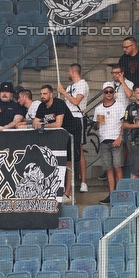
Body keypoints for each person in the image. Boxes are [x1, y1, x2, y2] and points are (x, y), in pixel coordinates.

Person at [33, 85, 74, 202]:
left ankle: (68, 193)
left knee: (68, 163)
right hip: (52, 137)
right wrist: (39, 125)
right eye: (41, 94)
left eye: (45, 94)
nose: (42, 96)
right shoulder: (41, 106)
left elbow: (58, 124)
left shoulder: (59, 103)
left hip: (68, 134)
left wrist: (42, 126)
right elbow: (35, 123)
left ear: (51, 94)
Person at [57, 64, 90, 194]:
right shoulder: (70, 86)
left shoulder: (82, 84)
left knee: (79, 149)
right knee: (68, 151)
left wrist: (63, 92)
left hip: (77, 117)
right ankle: (67, 185)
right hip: (68, 118)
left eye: (68, 71)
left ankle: (83, 182)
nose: (68, 73)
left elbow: (76, 101)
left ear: (72, 71)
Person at [93, 82, 126, 202]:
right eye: (106, 92)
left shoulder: (119, 106)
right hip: (103, 140)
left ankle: (121, 194)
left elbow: (124, 124)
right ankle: (112, 195)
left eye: (111, 91)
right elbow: (96, 127)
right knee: (108, 169)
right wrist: (97, 121)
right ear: (103, 93)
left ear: (114, 92)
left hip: (115, 139)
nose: (109, 94)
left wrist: (120, 137)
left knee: (118, 167)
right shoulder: (98, 108)